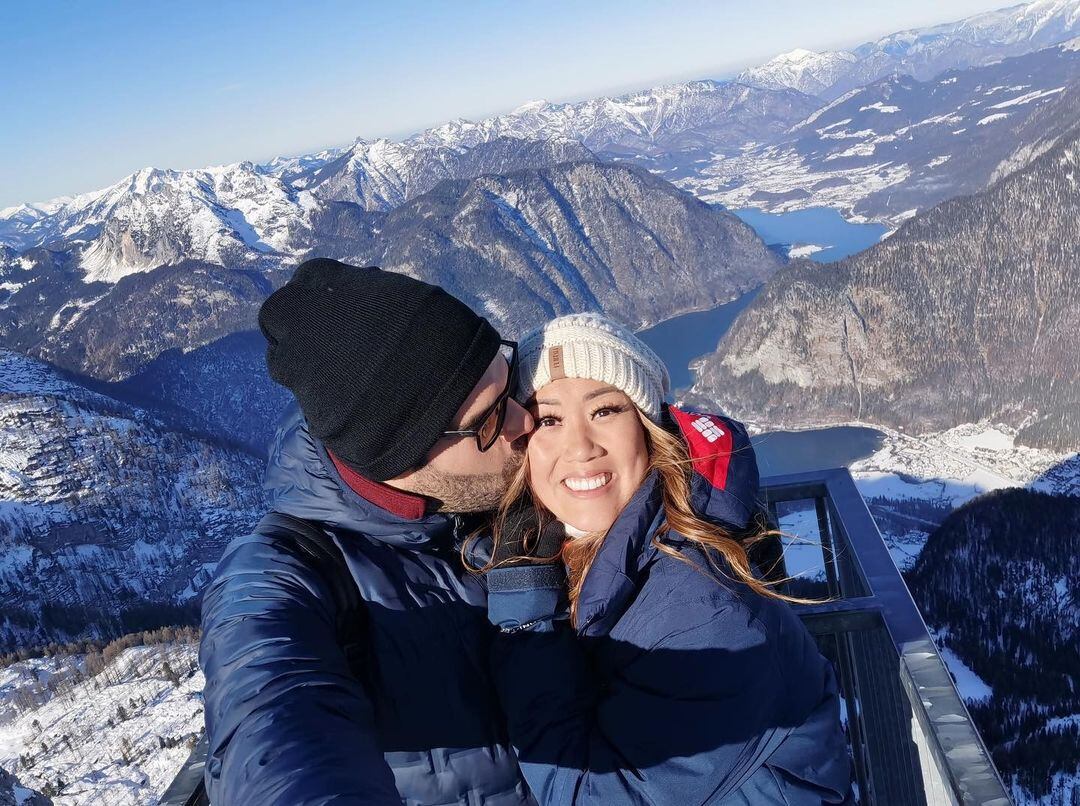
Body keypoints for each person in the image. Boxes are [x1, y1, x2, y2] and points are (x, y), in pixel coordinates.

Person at [199, 258, 538, 805]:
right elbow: (271, 726)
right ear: (394, 453)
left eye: (511, 381)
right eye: (488, 420)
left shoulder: (489, 487)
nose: (527, 423)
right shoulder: (288, 578)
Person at [477, 313, 853, 805]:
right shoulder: (558, 552)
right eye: (549, 419)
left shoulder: (705, 612)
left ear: (649, 429)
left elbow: (593, 797)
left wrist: (523, 629)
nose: (579, 446)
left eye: (605, 411)